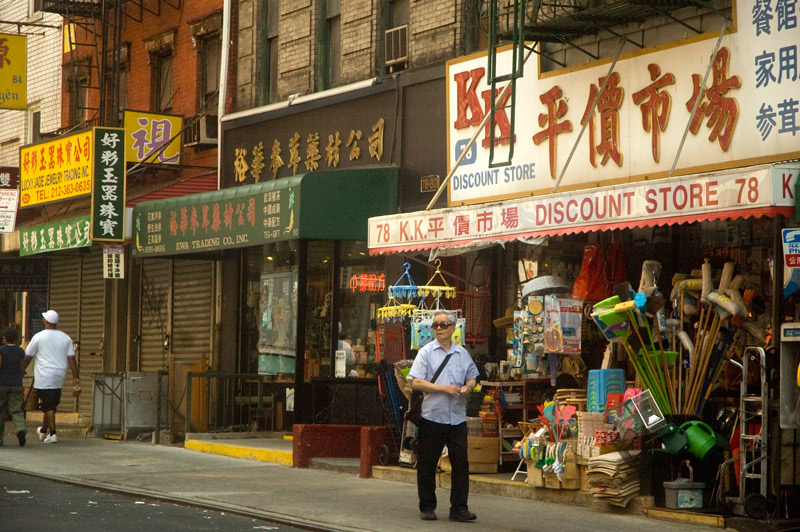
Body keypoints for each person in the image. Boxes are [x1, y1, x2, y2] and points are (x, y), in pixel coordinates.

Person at [408, 310, 479, 522]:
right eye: (435, 325)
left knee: (461, 463)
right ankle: (427, 506)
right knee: (428, 463)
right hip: (433, 417)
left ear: (453, 328)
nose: (439, 328)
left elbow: (473, 377)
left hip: (457, 417)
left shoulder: (462, 354)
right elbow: (416, 382)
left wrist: (467, 387)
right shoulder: (426, 352)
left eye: (443, 324)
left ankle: (459, 508)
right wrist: (442, 389)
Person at [22, 310, 80, 444]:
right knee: (50, 403)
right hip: (59, 375)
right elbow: (71, 359)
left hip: (44, 374)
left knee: (48, 406)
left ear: (46, 321)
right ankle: (43, 430)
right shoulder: (65, 337)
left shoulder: (39, 336)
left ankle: (53, 433)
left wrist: (21, 370)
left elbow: (28, 357)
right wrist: (75, 376)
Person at [0, 326, 27, 447]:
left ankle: (0, 439)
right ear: (16, 339)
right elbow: (22, 367)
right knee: (16, 410)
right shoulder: (20, 351)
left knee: (1, 411)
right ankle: (20, 429)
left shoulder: (1, 350)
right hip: (16, 383)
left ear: (4, 338)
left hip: (2, 383)